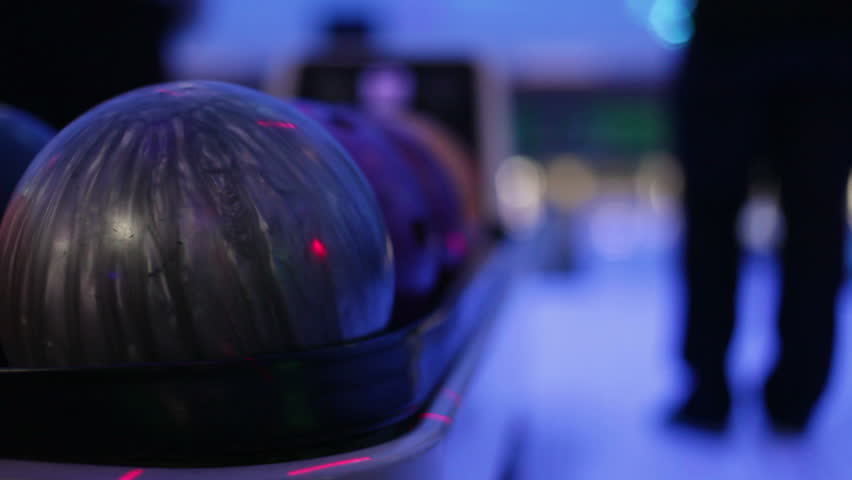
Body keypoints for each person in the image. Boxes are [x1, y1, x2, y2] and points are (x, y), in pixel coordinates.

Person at [672, 0, 852, 435]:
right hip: (824, 45)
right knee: (816, 223)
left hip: (732, 38)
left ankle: (709, 390)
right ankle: (795, 396)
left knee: (712, 220)